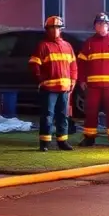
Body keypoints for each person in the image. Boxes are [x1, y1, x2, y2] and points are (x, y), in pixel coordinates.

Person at [77, 13, 109, 147]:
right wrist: (82, 80)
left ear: (108, 25)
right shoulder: (89, 43)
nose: (101, 26)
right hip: (93, 85)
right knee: (91, 111)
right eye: (98, 24)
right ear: (95, 26)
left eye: (103, 24)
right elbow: (81, 63)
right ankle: (89, 137)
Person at [29, 16, 77, 152]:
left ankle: (62, 141)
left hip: (65, 88)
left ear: (61, 29)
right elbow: (34, 64)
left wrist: (73, 80)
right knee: (47, 115)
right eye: (52, 28)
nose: (55, 31)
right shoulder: (43, 46)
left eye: (57, 28)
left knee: (63, 115)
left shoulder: (67, 46)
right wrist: (40, 79)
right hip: (49, 88)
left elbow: (73, 66)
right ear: (47, 29)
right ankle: (45, 142)